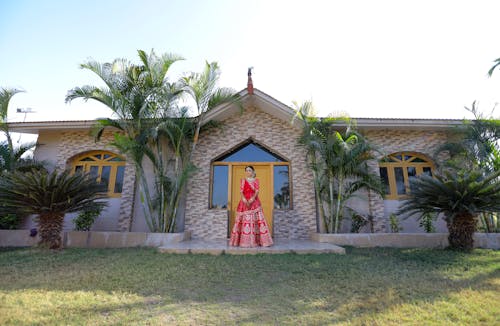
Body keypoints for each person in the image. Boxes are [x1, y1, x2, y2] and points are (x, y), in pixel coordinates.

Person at [229, 165, 273, 247]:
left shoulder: (256, 180)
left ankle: (260, 241)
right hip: (244, 201)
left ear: (252, 171)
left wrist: (252, 198)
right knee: (243, 220)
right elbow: (241, 191)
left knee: (257, 220)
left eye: (249, 170)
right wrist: (244, 199)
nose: (248, 172)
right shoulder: (242, 180)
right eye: (246, 170)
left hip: (254, 201)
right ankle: (241, 242)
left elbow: (257, 191)